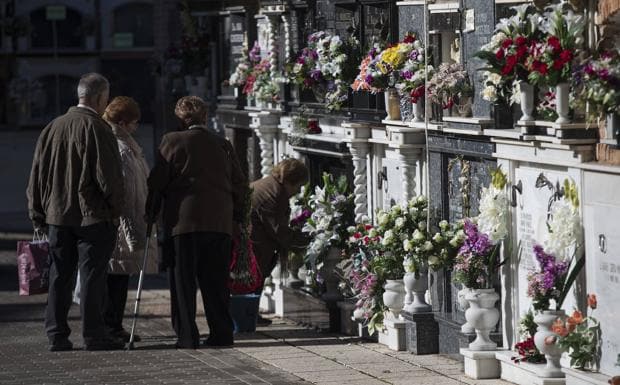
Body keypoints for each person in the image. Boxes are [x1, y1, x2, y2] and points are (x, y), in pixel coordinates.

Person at [26, 73, 126, 351]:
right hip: (93, 216)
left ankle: (57, 334)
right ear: (100, 98)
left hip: (57, 215)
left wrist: (37, 212)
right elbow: (109, 177)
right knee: (93, 277)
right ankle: (94, 334)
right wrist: (116, 209)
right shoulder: (98, 128)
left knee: (60, 275)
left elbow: (37, 174)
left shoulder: (53, 127)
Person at [146, 96, 247, 349]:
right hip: (219, 221)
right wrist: (238, 217)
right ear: (204, 116)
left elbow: (157, 181)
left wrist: (151, 212)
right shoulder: (222, 144)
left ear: (180, 118)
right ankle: (222, 333)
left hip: (184, 222)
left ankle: (187, 336)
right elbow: (240, 184)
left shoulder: (172, 141)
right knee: (216, 282)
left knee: (183, 282)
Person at [101, 96, 157, 342]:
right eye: (134, 122)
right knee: (116, 278)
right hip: (122, 227)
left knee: (117, 276)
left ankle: (112, 325)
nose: (136, 127)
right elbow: (130, 195)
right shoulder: (122, 149)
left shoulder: (123, 143)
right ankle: (111, 327)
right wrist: (135, 232)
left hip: (118, 225)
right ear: (123, 123)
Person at [250, 158, 309, 325]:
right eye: (298, 186)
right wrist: (304, 240)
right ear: (291, 181)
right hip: (254, 242)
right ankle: (248, 314)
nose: (298, 191)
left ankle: (250, 313)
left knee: (255, 279)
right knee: (253, 278)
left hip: (255, 240)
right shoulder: (274, 194)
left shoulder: (271, 185)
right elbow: (277, 229)